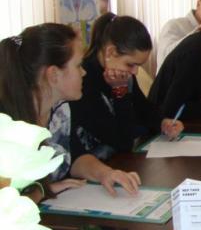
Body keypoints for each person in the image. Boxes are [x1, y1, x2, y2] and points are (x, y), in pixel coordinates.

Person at [0, 24, 141, 201]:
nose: (84, 72)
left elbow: (75, 156)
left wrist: (106, 173)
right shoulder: (6, 125)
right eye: (78, 65)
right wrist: (43, 192)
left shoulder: (61, 109)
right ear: (53, 74)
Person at [70, 13, 184, 159]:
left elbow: (142, 107)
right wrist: (120, 91)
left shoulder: (122, 73)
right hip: (96, 162)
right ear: (110, 52)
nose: (135, 72)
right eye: (131, 64)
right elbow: (122, 141)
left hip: (119, 159)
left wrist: (162, 122)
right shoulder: (83, 81)